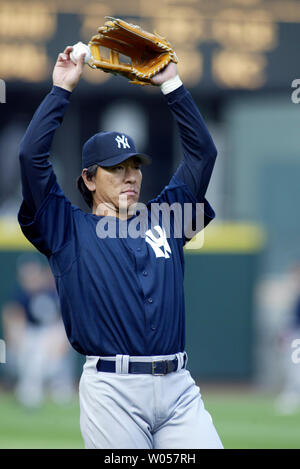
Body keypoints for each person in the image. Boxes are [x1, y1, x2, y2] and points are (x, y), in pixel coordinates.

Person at [18, 45, 223, 448]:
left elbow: (203, 154)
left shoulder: (168, 217)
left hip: (179, 387)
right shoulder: (66, 229)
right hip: (113, 390)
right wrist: (61, 89)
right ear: (89, 179)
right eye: (115, 168)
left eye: (134, 167)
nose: (129, 176)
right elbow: (31, 156)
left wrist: (171, 85)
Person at [2, 254, 75, 408]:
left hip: (51, 334)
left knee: (55, 341)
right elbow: (12, 315)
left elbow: (63, 319)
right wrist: (15, 336)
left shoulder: (52, 291)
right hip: (31, 335)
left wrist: (60, 338)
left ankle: (60, 386)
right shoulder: (21, 294)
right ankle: (30, 389)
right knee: (34, 352)